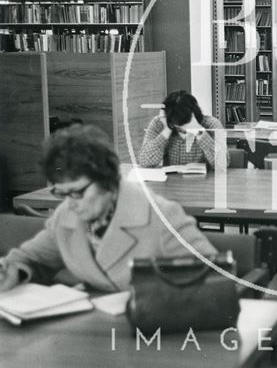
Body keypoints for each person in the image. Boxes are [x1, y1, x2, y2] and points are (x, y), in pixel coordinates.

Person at [0, 125, 215, 292]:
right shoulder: (66, 215)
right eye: (61, 193)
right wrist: (12, 271)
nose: (69, 202)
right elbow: (31, 258)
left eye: (77, 192)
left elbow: (211, 275)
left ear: (107, 181)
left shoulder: (161, 215)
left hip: (154, 332)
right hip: (96, 334)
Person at [139, 90, 225, 169]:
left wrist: (198, 130)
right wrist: (166, 130)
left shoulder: (212, 124)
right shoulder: (159, 123)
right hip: (170, 182)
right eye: (179, 128)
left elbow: (222, 164)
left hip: (203, 182)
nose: (184, 131)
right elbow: (145, 162)